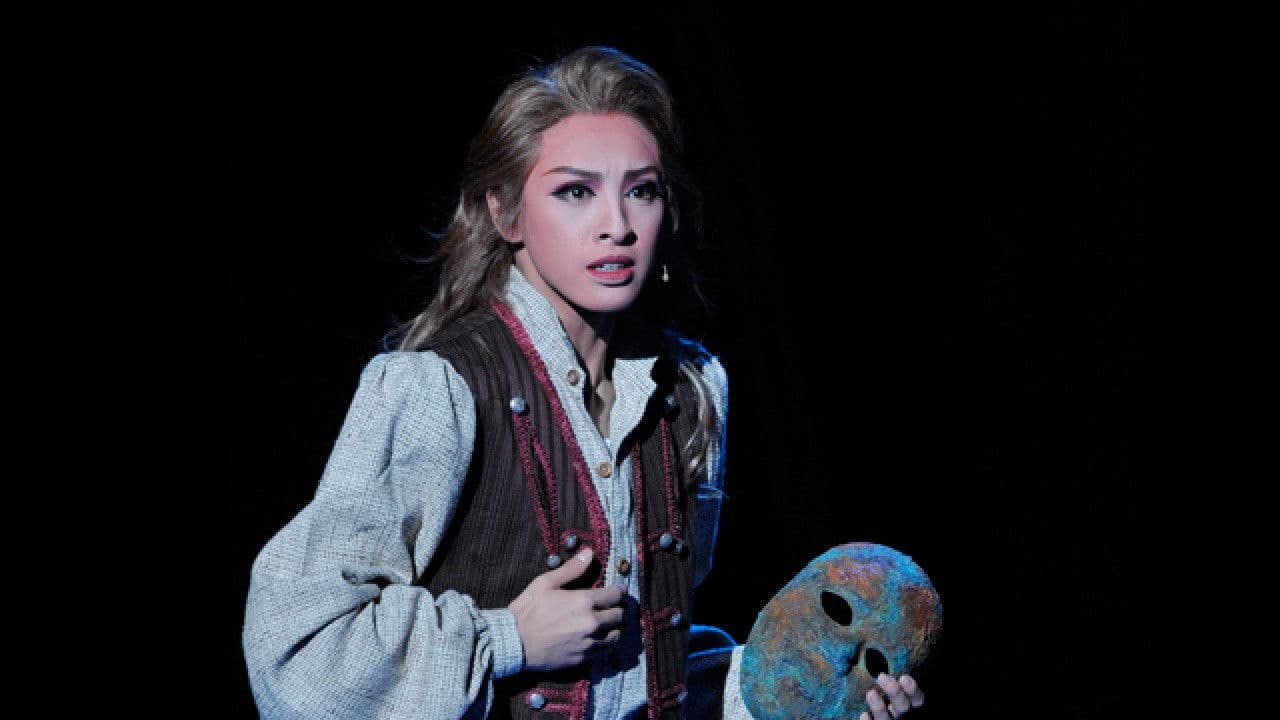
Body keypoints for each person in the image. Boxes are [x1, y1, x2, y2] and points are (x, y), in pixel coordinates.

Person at [242, 45, 925, 720]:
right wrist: (508, 638)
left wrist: (796, 696)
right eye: (576, 191)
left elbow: (645, 670)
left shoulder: (691, 394)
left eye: (641, 190)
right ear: (506, 214)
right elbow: (300, 657)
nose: (617, 226)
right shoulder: (436, 389)